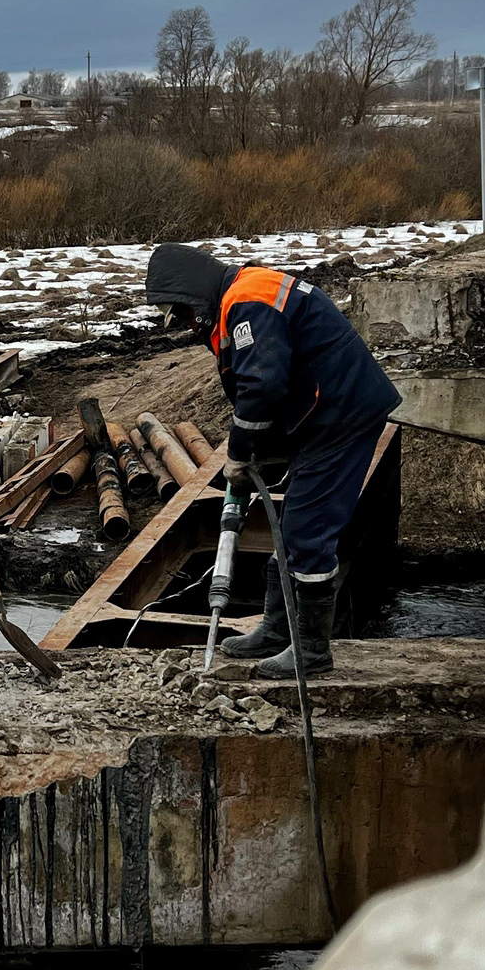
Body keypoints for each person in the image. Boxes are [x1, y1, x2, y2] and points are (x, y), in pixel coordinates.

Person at [144, 242, 401, 676]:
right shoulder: (239, 298)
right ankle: (278, 630)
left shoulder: (248, 298)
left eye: (183, 315)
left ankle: (312, 652)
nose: (187, 327)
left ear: (191, 294)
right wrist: (263, 451)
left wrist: (241, 454)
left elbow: (262, 384)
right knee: (291, 530)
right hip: (322, 415)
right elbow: (271, 376)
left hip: (340, 417)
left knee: (307, 531)